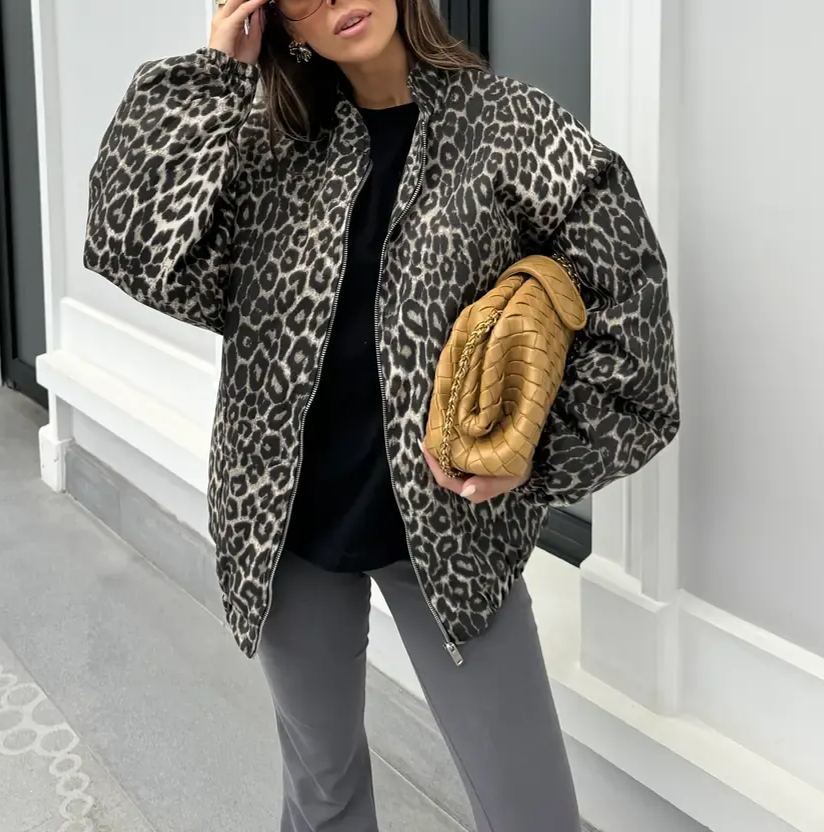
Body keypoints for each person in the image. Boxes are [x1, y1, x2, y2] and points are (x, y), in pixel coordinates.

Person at [83, 0, 680, 828]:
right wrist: (216, 72)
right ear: (282, 21)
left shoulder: (508, 127)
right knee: (322, 795)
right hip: (285, 525)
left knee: (533, 812)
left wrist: (535, 456)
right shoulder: (272, 148)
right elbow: (128, 242)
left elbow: (631, 306)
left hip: (452, 529)